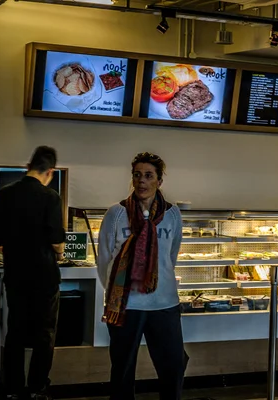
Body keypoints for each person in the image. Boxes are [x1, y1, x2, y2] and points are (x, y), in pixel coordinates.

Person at [98, 152, 186, 400]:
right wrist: (117, 291)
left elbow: (171, 256)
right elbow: (104, 258)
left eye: (148, 176)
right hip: (127, 306)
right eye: (137, 175)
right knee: (123, 369)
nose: (142, 181)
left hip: (165, 304)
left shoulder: (172, 214)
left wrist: (159, 281)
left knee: (172, 366)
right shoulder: (116, 213)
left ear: (159, 181)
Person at [0, 146, 66, 400]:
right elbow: (57, 242)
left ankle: (13, 389)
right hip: (44, 276)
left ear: (28, 167)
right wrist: (59, 252)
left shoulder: (4, 195)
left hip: (15, 273)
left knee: (15, 331)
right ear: (51, 172)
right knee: (45, 333)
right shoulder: (51, 197)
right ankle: (37, 388)